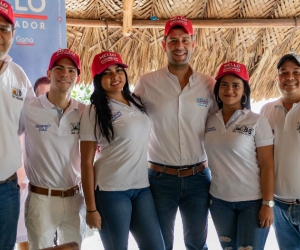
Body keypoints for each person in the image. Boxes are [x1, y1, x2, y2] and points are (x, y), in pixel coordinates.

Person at [134, 16, 216, 250]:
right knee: (160, 244)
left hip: (199, 178)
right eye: (173, 41)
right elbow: (130, 119)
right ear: (163, 44)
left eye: (184, 40)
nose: (179, 46)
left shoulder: (209, 84)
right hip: (160, 179)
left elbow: (223, 125)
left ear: (193, 43)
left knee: (197, 244)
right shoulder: (147, 83)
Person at [80, 51, 165, 250]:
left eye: (119, 70)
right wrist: (91, 208)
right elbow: (86, 161)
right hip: (111, 191)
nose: (115, 76)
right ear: (98, 79)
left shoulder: (137, 102)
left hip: (142, 188)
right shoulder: (93, 111)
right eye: (106, 73)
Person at [18, 48, 86, 249]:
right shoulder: (29, 107)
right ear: (49, 73)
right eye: (59, 68)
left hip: (75, 197)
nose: (65, 73)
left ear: (78, 78)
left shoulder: (84, 111)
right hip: (41, 199)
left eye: (71, 70)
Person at [204, 61, 274, 249]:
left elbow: (268, 165)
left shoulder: (257, 121)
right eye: (224, 84)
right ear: (217, 88)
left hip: (252, 203)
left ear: (244, 90)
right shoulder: (209, 119)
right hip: (219, 202)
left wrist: (268, 204)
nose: (230, 90)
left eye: (236, 85)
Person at [0, 1, 35, 249]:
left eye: (4, 28)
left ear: (13, 35)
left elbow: (33, 123)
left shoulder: (19, 76)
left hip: (7, 188)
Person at [260, 52, 300, 250]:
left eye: (296, 72)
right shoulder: (266, 111)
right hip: (279, 206)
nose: (290, 77)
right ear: (277, 78)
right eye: (284, 72)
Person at [16, 77, 51, 250]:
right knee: (25, 239)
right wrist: (20, 179)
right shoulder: (28, 118)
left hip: (58, 192)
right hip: (28, 186)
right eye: (44, 95)